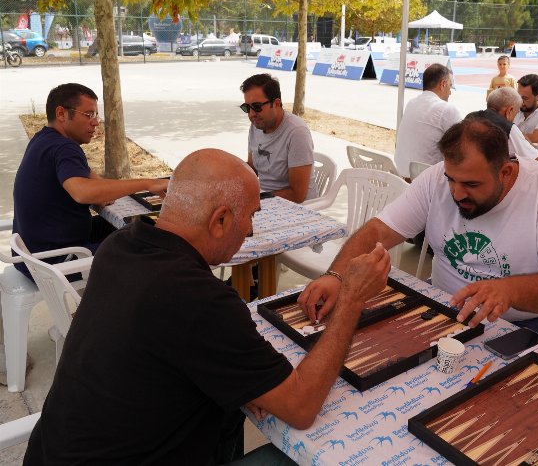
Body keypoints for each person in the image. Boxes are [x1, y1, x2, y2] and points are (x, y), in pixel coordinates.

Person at [24, 149, 390, 465]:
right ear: (220, 220)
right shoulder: (199, 299)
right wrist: (352, 299)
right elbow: (301, 407)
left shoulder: (120, 246)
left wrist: (244, 385)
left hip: (51, 453)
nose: (249, 231)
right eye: (250, 215)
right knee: (292, 457)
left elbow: (166, 345)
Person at [299, 117, 538, 347]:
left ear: (505, 172)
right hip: (443, 302)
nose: (457, 194)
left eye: (471, 185)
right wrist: (336, 275)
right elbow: (379, 230)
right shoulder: (435, 181)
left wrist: (509, 290)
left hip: (530, 320)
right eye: (451, 179)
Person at [12, 83, 168, 280]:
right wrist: (148, 184)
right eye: (88, 115)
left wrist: (101, 193)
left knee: (138, 228)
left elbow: (92, 181)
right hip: (55, 262)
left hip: (33, 254)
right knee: (153, 245)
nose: (95, 123)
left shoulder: (43, 140)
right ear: (61, 113)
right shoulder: (64, 147)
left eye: (96, 115)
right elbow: (82, 192)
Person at [242, 73, 316, 203]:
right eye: (247, 108)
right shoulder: (256, 125)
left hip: (296, 207)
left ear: (276, 103)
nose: (252, 114)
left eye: (257, 107)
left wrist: (258, 198)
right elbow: (252, 169)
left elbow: (297, 195)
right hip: (265, 199)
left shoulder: (297, 132)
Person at [393, 63, 463, 178]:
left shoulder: (411, 103)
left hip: (400, 179)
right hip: (427, 184)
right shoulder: (447, 109)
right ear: (443, 84)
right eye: (450, 86)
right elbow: (465, 145)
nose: (450, 92)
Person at [485, 87, 538, 162]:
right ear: (509, 111)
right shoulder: (508, 128)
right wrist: (524, 139)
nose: (514, 118)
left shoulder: (471, 118)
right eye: (515, 113)